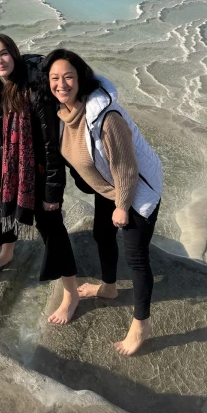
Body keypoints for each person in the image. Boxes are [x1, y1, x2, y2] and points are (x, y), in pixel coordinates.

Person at [43, 48, 163, 354]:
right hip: (108, 188)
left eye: (68, 77)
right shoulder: (62, 113)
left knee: (137, 258)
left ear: (81, 78)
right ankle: (109, 287)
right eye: (54, 78)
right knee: (102, 234)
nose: (61, 84)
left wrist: (123, 206)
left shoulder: (106, 118)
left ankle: (141, 324)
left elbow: (126, 167)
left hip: (137, 191)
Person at [0, 33, 78, 325]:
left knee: (53, 232)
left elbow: (51, 146)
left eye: (4, 53)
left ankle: (71, 293)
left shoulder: (34, 91)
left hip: (35, 176)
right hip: (5, 172)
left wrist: (52, 193)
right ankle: (6, 253)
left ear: (15, 53)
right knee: (4, 214)